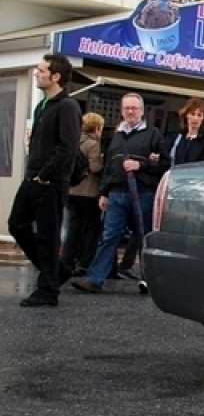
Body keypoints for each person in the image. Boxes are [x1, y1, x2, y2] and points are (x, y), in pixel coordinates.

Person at [73, 92, 170, 295]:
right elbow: (109, 166)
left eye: (134, 108)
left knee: (144, 237)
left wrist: (141, 164)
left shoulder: (154, 135)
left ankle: (149, 280)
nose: (130, 111)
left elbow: (165, 164)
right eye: (126, 108)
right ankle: (95, 279)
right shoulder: (116, 137)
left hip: (143, 193)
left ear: (142, 111)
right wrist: (104, 193)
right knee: (109, 236)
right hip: (117, 193)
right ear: (122, 110)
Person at [7, 54, 82, 307]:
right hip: (33, 178)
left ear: (56, 76)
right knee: (16, 225)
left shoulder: (67, 106)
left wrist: (46, 174)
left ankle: (48, 291)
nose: (37, 73)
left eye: (41, 70)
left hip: (50, 182)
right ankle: (55, 272)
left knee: (48, 236)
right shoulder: (43, 106)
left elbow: (67, 147)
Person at [61, 111, 105, 276]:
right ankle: (85, 262)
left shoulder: (73, 141)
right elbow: (95, 168)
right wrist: (102, 161)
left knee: (74, 226)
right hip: (88, 191)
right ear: (96, 128)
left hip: (71, 190)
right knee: (93, 227)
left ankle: (67, 260)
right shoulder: (92, 144)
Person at [169, 97, 204, 164]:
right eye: (192, 114)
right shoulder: (176, 137)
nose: (195, 118)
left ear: (203, 118)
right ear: (186, 115)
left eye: (199, 115)